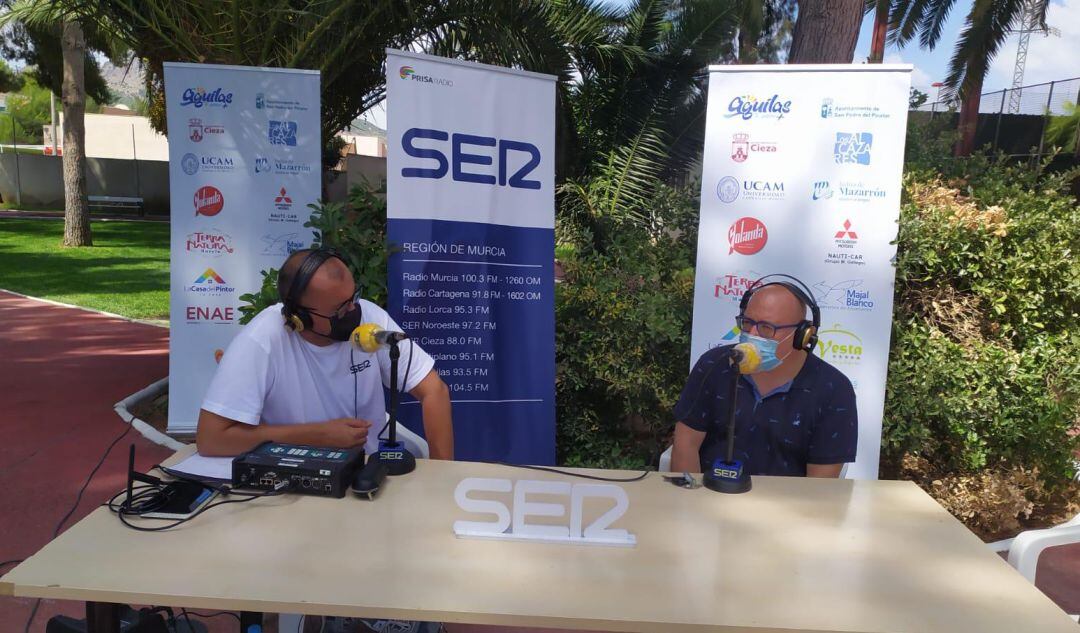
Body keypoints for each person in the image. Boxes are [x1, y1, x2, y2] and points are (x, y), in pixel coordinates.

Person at [196, 248, 453, 460]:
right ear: (300, 318)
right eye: (341, 309)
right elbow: (211, 440)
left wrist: (442, 479)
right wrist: (316, 436)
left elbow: (434, 391)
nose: (355, 311)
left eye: (354, 297)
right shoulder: (261, 340)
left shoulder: (371, 318)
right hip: (291, 479)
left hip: (368, 472)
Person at [671, 276, 856, 477]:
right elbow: (685, 444)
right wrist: (692, 503)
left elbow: (820, 486)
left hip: (787, 506)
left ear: (802, 335)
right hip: (711, 497)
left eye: (767, 328)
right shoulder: (714, 365)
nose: (752, 334)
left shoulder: (834, 389)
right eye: (747, 322)